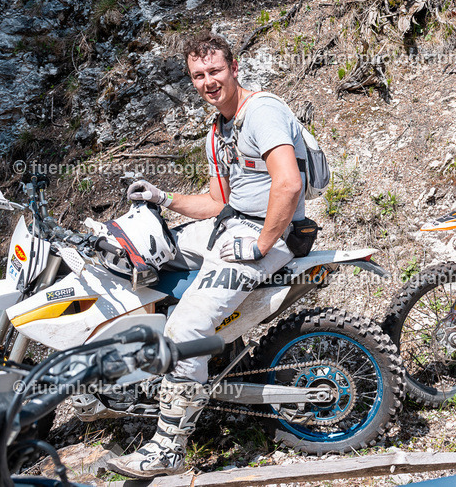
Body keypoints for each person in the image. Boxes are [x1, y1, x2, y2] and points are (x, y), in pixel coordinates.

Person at [107, 35, 307, 478]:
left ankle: (169, 448)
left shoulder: (262, 112)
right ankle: (147, 376)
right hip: (232, 224)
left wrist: (260, 245)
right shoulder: (218, 131)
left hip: (269, 233)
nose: (208, 81)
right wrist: (163, 197)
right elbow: (218, 203)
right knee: (138, 252)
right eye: (198, 75)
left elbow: (288, 184)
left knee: (187, 328)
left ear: (234, 67)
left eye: (215, 71)